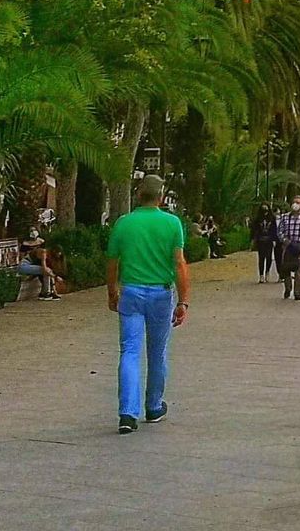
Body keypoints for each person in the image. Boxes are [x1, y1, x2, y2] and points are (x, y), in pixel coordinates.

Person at [104, 175, 190, 434]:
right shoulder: (172, 223)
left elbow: (112, 262)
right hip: (161, 295)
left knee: (129, 350)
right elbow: (179, 264)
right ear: (161, 197)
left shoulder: (124, 224)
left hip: (130, 292)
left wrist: (112, 292)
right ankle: (153, 406)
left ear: (138, 195)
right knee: (157, 352)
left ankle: (127, 414)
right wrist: (183, 300)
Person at [275, 194, 300, 301]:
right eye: (294, 202)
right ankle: (288, 288)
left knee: (299, 271)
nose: (295, 205)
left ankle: (298, 292)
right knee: (286, 268)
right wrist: (284, 240)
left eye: (298, 203)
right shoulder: (285, 217)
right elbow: (279, 231)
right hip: (288, 246)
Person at [17, 227, 58, 299]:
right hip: (26, 263)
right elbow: (21, 257)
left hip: (35, 263)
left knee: (46, 270)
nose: (33, 232)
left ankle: (49, 291)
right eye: (31, 231)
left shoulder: (42, 243)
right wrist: (55, 276)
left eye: (34, 230)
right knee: (46, 270)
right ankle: (46, 292)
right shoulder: (26, 244)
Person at [249, 203, 277, 283]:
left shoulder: (272, 218)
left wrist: (274, 239)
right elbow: (254, 229)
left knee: (269, 257)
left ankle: (267, 272)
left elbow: (274, 229)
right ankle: (261, 275)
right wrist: (253, 239)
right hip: (261, 240)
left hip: (269, 240)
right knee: (261, 258)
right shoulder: (257, 219)